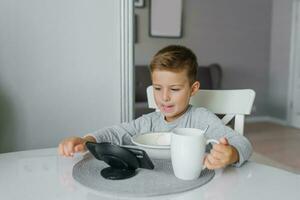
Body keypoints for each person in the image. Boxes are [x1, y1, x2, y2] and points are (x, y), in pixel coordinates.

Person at [58, 45, 252, 169]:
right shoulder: (149, 122)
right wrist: (85, 140)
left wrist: (232, 154)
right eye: (158, 88)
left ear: (193, 89)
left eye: (174, 89)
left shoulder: (201, 119)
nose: (165, 97)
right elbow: (115, 133)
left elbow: (243, 143)